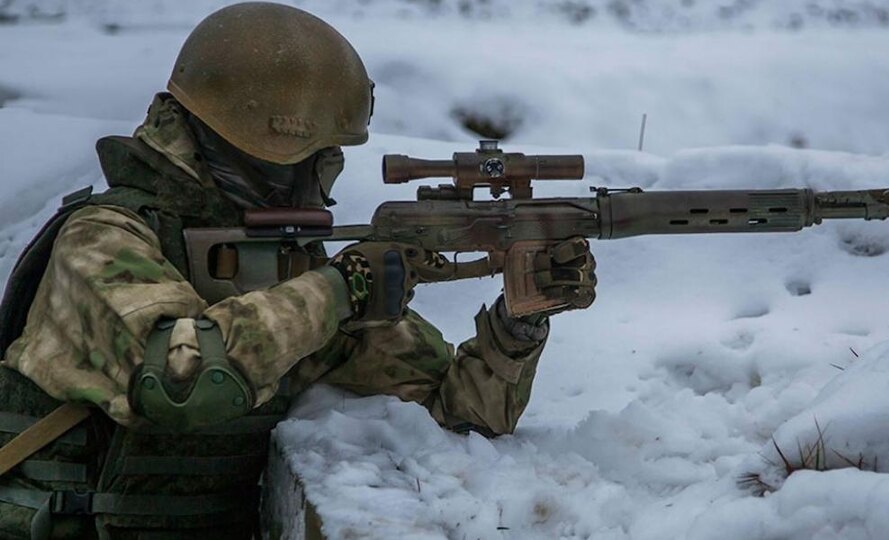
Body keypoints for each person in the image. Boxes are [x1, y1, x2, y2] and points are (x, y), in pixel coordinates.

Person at [0, 3, 597, 538]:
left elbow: (452, 415)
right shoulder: (102, 238)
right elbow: (182, 380)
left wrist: (517, 325)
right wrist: (341, 288)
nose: (328, 179)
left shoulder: (284, 274)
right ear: (263, 152)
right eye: (322, 159)